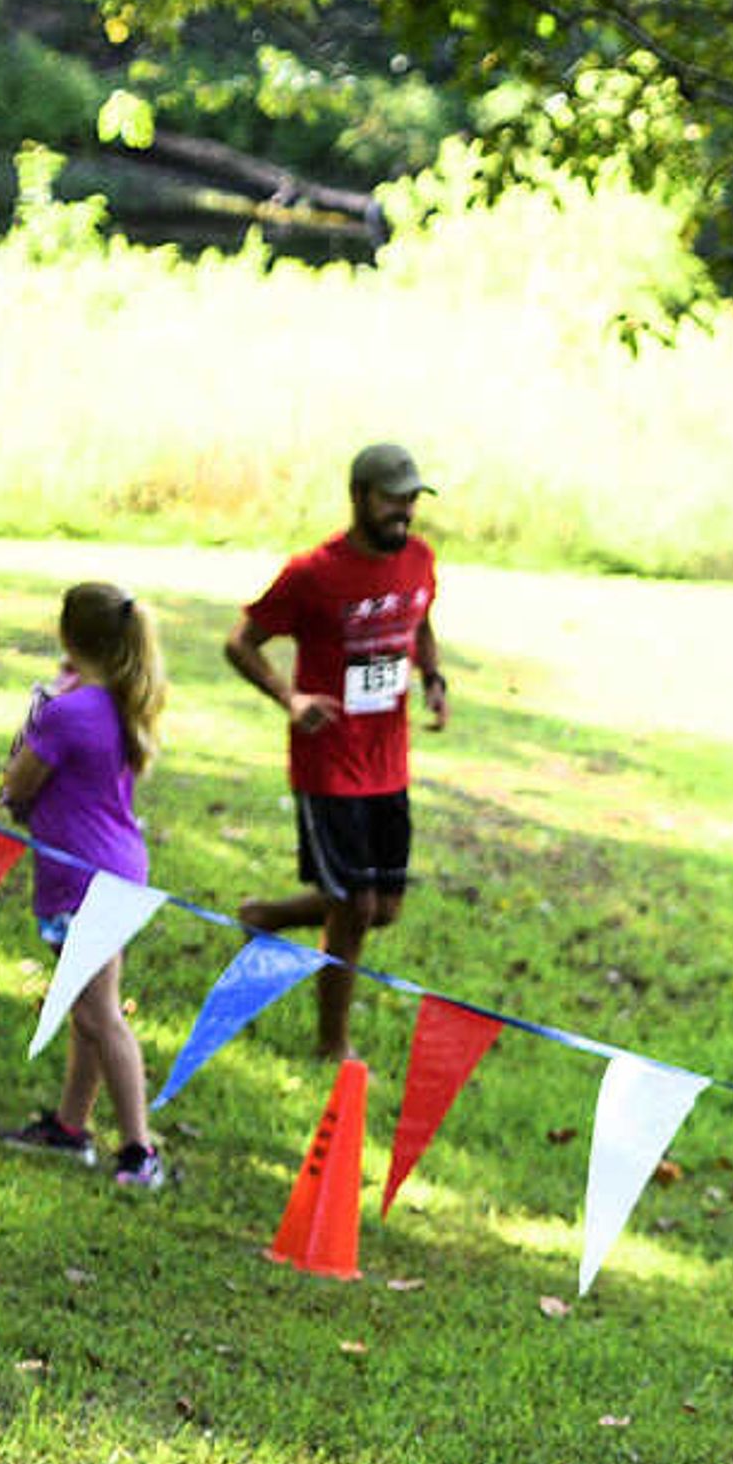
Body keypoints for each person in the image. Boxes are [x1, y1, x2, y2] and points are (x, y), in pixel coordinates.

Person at [229, 441, 448, 1065]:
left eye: (411, 499)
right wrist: (291, 699)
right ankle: (333, 1044)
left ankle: (265, 914)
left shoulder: (421, 560)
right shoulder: (313, 574)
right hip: (329, 762)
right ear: (359, 497)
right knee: (352, 909)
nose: (403, 511)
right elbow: (241, 642)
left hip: (389, 762)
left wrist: (432, 678)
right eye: (392, 499)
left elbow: (421, 622)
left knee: (384, 908)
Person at [0, 582, 175, 1190]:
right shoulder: (119, 701)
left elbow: (18, 785)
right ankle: (72, 1128)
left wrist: (33, 719)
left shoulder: (68, 712)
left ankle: (138, 1149)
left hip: (83, 881)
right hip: (117, 870)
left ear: (68, 637)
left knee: (99, 1013)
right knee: (86, 1007)